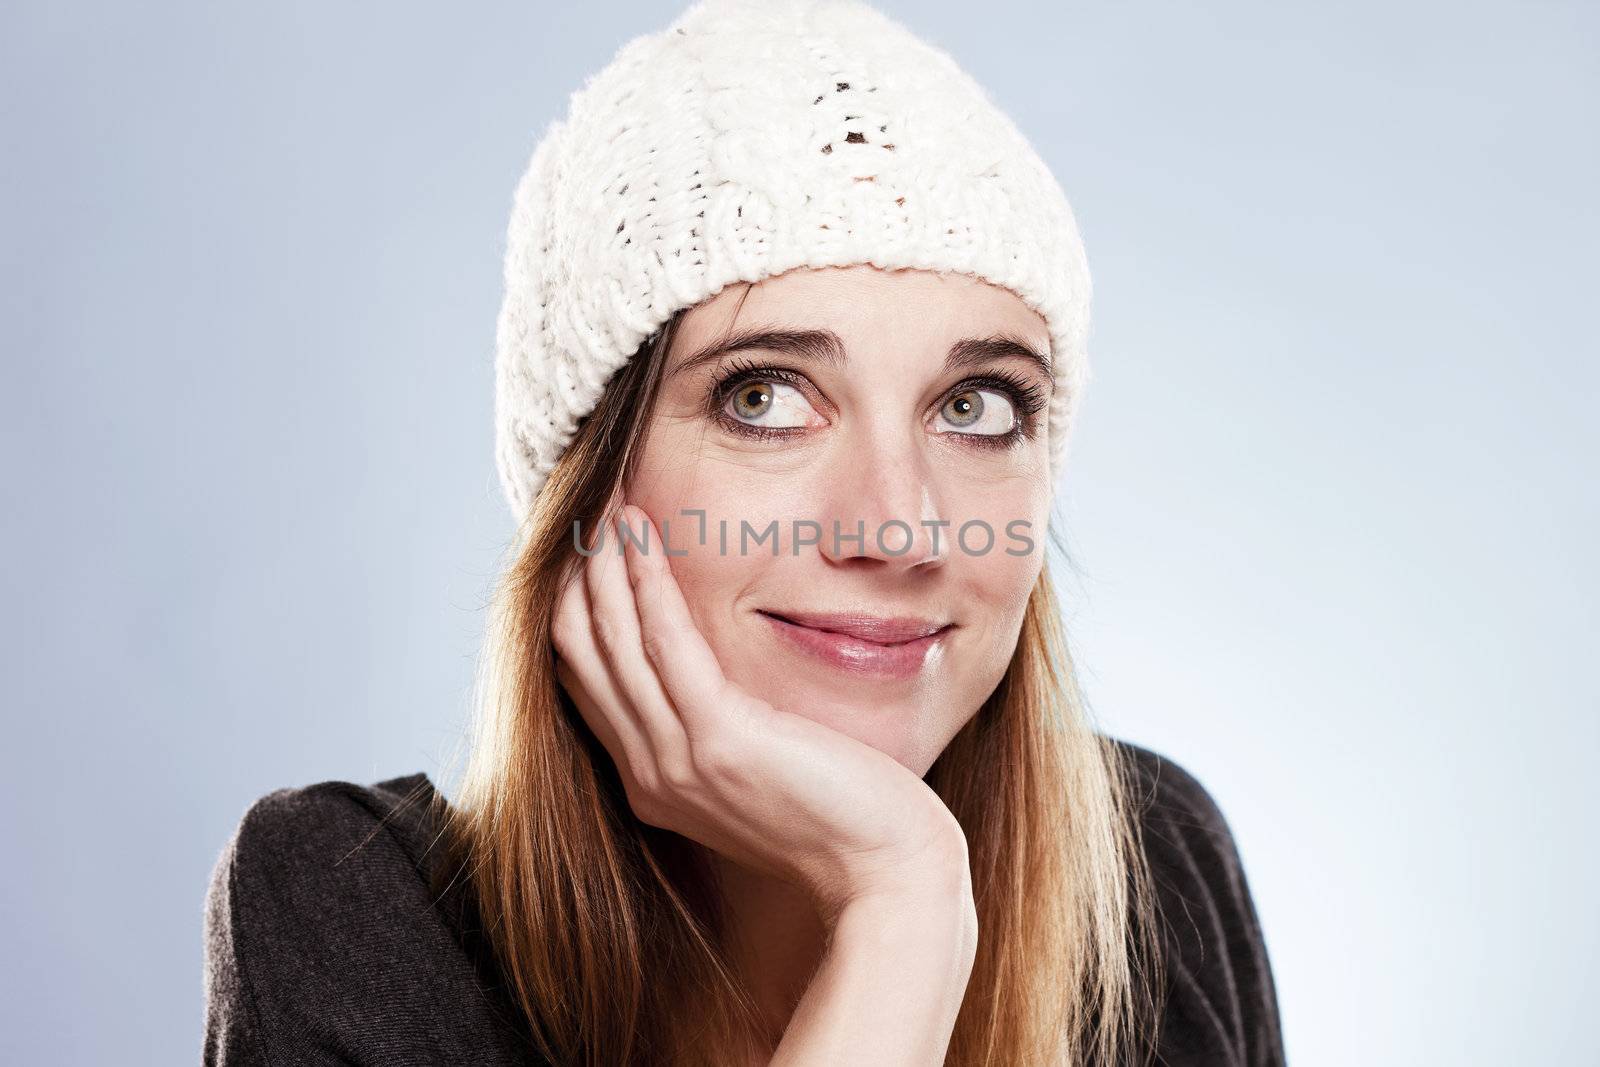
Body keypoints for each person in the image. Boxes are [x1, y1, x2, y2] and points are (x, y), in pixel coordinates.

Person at [202, 1, 1286, 1064]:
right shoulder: (355, 903)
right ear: (587, 485)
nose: (900, 525)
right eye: (764, 395)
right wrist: (899, 900)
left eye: (975, 405)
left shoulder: (1152, 862)